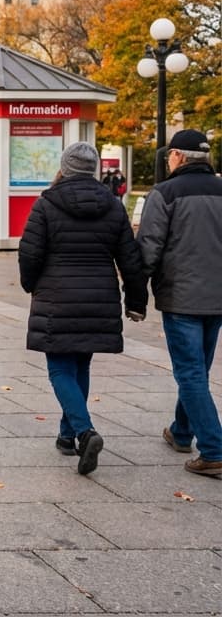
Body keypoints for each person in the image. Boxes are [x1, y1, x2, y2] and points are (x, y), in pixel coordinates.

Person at [17, 142, 147, 475]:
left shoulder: (46, 204)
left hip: (57, 296)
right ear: (94, 169)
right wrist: (135, 301)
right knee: (81, 365)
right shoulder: (114, 206)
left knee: (60, 369)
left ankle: (84, 431)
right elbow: (130, 259)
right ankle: (67, 435)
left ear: (65, 167)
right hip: (98, 296)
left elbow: (30, 253)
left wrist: (31, 285)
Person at [137, 129, 222, 478]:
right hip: (217, 298)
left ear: (176, 157)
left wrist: (136, 291)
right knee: (197, 369)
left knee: (189, 372)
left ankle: (214, 449)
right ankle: (181, 431)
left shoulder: (165, 193)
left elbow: (148, 248)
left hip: (181, 297)